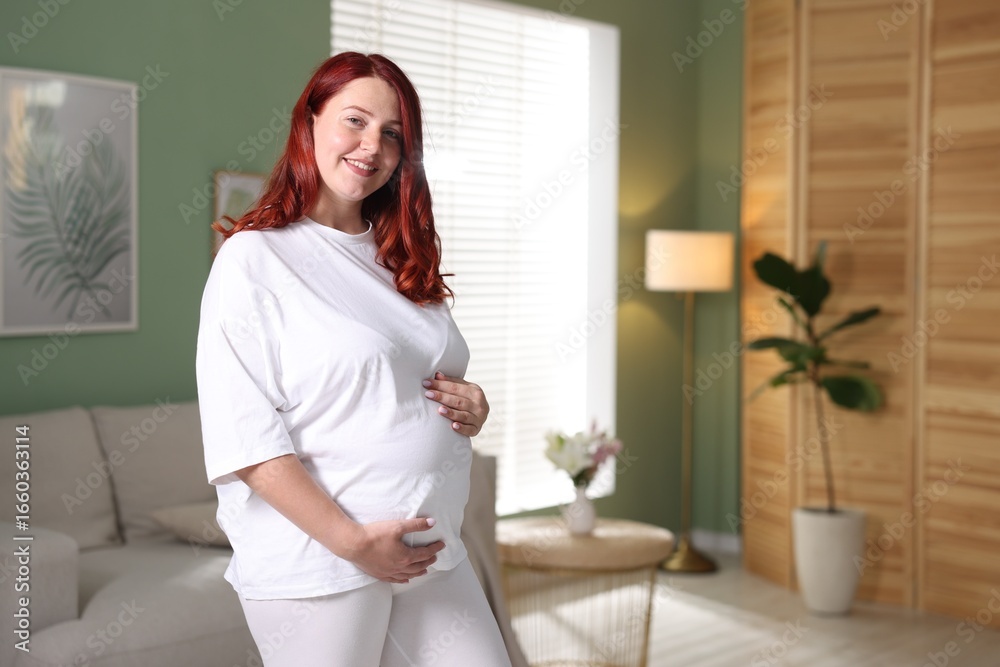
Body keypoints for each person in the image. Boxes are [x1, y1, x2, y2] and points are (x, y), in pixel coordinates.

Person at [195, 52, 513, 667]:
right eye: (355, 121)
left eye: (392, 133)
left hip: (430, 550)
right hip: (322, 561)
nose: (373, 146)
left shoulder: (399, 257)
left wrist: (472, 403)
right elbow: (245, 439)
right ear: (310, 121)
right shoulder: (255, 259)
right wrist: (353, 542)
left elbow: (405, 378)